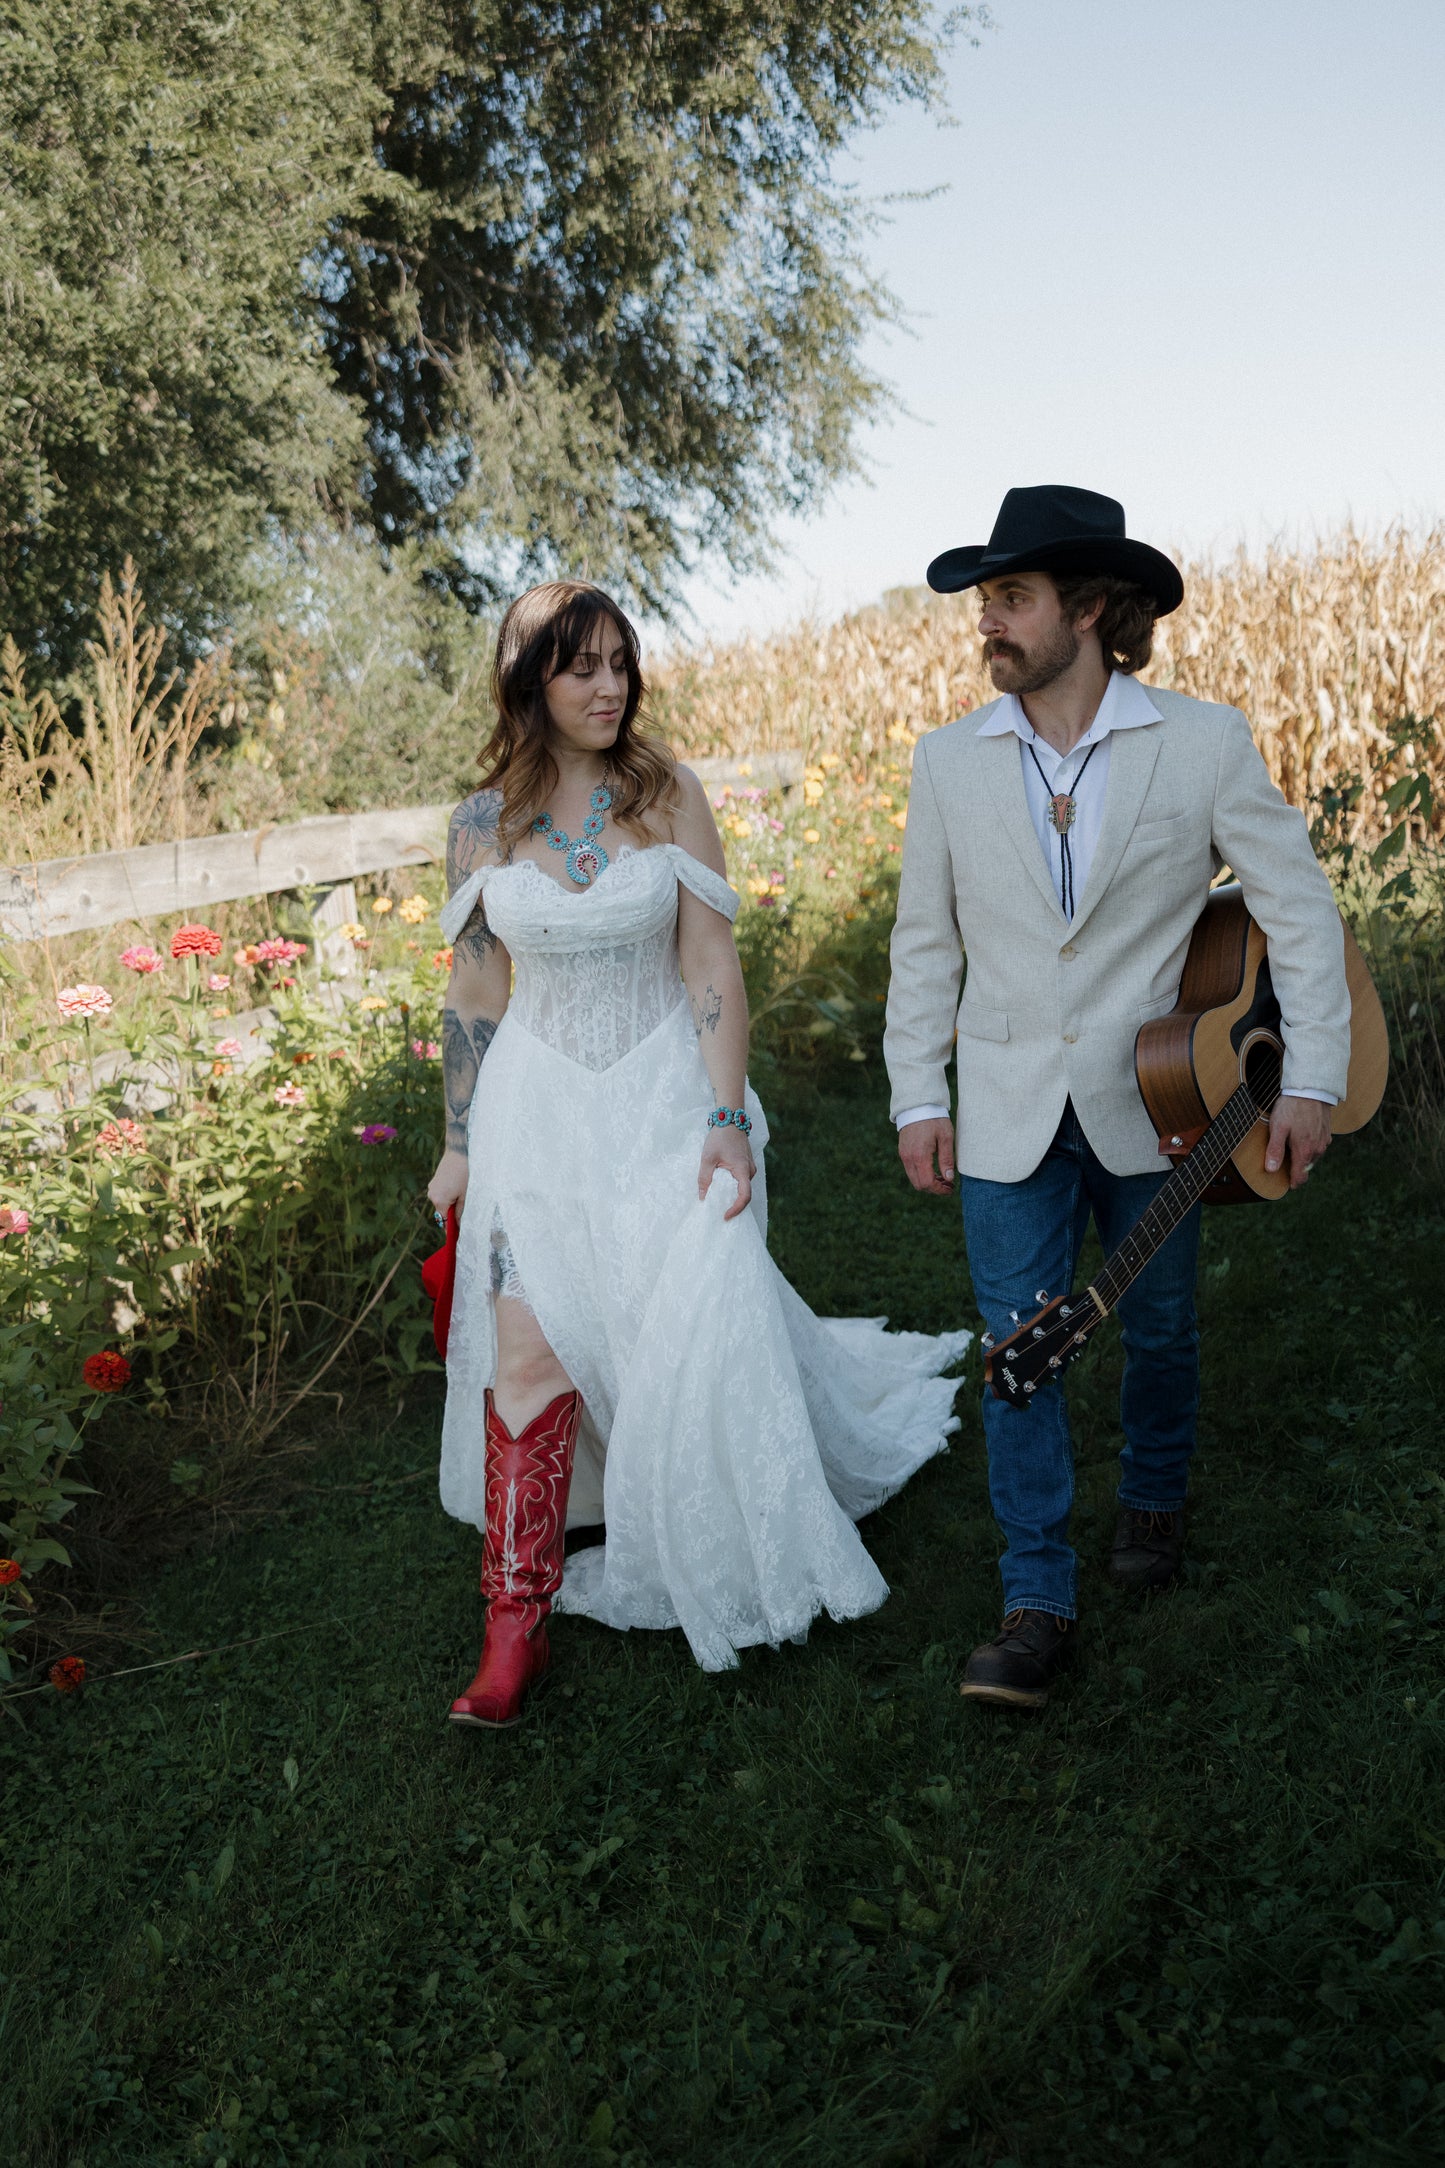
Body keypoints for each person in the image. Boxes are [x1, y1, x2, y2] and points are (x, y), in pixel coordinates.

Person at [427, 579, 970, 1725]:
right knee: (525, 1353)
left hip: (665, 1098)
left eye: (620, 662)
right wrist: (457, 1143)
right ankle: (512, 1619)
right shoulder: (479, 825)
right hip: (534, 1111)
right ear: (528, 680)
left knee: (670, 1317)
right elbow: (475, 992)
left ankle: (697, 1517)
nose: (609, 685)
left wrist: (727, 1119)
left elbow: (709, 964)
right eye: (581, 666)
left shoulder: (666, 794)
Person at [884, 485, 1351, 1710]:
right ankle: (1035, 1595)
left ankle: (1151, 1492)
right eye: (984, 598)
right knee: (1015, 1354)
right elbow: (921, 943)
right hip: (999, 1102)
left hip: (1159, 1094)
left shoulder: (1200, 744)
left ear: (1088, 610)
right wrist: (910, 1095)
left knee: (1159, 1326)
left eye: (1011, 597)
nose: (987, 619)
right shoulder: (946, 762)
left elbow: (1296, 909)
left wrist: (1307, 1076)